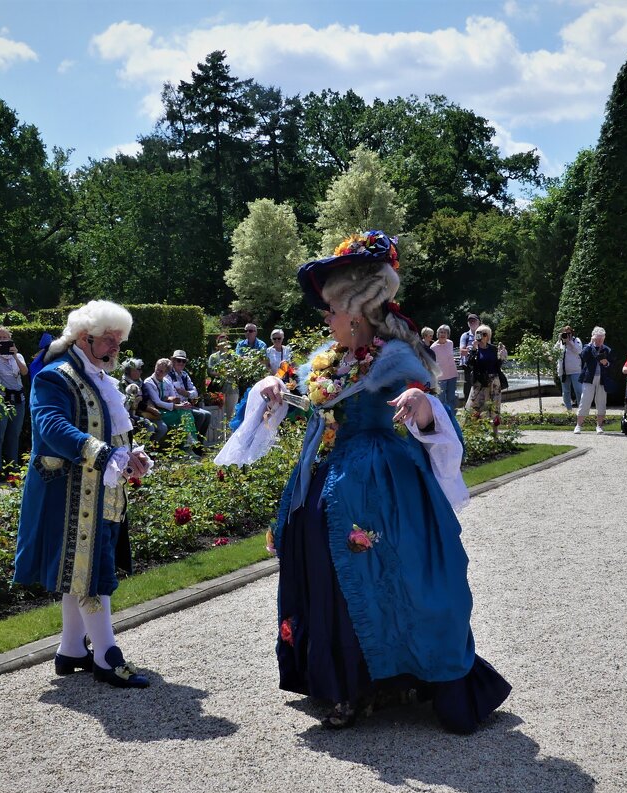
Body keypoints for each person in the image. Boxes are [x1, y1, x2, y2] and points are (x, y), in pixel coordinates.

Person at [216, 230, 510, 733]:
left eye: (331, 310)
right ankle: (345, 683)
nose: (325, 319)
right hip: (328, 478)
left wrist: (423, 409)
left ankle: (396, 676)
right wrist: (267, 388)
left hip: (384, 488)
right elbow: (293, 401)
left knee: (396, 577)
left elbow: (442, 424)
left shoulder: (399, 359)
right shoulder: (326, 360)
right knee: (329, 576)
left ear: (355, 312)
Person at [13, 300, 152, 689]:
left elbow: (114, 430)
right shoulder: (54, 377)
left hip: (100, 492)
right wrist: (103, 452)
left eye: (118, 342)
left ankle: (72, 648)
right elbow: (51, 426)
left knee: (87, 567)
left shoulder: (99, 378)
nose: (114, 349)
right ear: (82, 338)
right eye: (108, 341)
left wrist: (132, 453)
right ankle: (107, 656)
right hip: (69, 494)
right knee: (90, 571)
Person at [0, 327, 29, 477]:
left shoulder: (18, 356)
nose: (2, 340)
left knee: (14, 435)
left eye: (4, 337)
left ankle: (13, 470)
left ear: (10, 339)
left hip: (18, 400)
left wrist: (14, 356)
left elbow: (24, 372)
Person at [575, 326, 614, 434]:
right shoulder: (588, 347)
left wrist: (606, 363)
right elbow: (583, 356)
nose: (599, 341)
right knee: (585, 401)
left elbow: (612, 365)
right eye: (597, 339)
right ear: (593, 337)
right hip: (589, 379)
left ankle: (599, 426)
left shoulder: (607, 349)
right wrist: (591, 344)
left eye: (601, 339)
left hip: (602, 379)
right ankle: (578, 426)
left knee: (601, 402)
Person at [168, 350, 212, 440]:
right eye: (178, 360)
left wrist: (186, 393)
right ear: (173, 361)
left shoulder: (185, 375)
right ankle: (193, 443)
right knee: (201, 415)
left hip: (186, 405)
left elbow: (195, 393)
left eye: (183, 361)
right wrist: (185, 397)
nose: (181, 363)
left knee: (207, 414)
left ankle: (199, 444)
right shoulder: (168, 375)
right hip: (177, 406)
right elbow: (171, 394)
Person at [464, 324, 505, 419]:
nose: (482, 336)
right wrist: (474, 349)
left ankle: (494, 429)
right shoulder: (475, 349)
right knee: (475, 407)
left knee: (494, 407)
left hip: (494, 381)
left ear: (488, 336)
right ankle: (474, 429)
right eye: (480, 334)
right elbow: (469, 364)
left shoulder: (493, 349)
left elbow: (496, 365)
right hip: (480, 382)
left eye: (485, 334)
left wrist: (501, 358)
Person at [207, 334, 239, 420]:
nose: (223, 344)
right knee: (219, 415)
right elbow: (210, 371)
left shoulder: (234, 356)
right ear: (217, 344)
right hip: (219, 390)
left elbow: (238, 371)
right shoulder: (213, 357)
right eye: (221, 342)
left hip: (232, 389)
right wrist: (224, 373)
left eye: (225, 342)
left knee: (231, 415)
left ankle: (230, 434)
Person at [430, 325, 459, 412]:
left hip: (452, 375)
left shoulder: (450, 343)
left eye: (445, 332)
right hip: (441, 377)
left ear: (448, 334)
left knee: (451, 399)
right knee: (441, 400)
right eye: (441, 332)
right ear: (437, 334)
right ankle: (442, 418)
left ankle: (451, 418)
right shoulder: (433, 347)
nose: (443, 334)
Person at [555, 325, 583, 411]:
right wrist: (560, 340)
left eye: (569, 333)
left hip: (575, 370)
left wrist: (569, 342)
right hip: (563, 371)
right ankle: (569, 411)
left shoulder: (576, 340)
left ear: (572, 333)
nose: (567, 335)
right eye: (565, 333)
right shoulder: (560, 343)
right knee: (566, 392)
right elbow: (554, 352)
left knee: (578, 390)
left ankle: (581, 410)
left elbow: (579, 351)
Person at [458, 313, 480, 404]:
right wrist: (473, 349)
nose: (472, 323)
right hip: (468, 364)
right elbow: (462, 351)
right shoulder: (465, 336)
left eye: (474, 321)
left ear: (479, 322)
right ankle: (467, 406)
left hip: (479, 363)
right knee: (468, 386)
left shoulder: (482, 334)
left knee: (479, 384)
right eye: (470, 321)